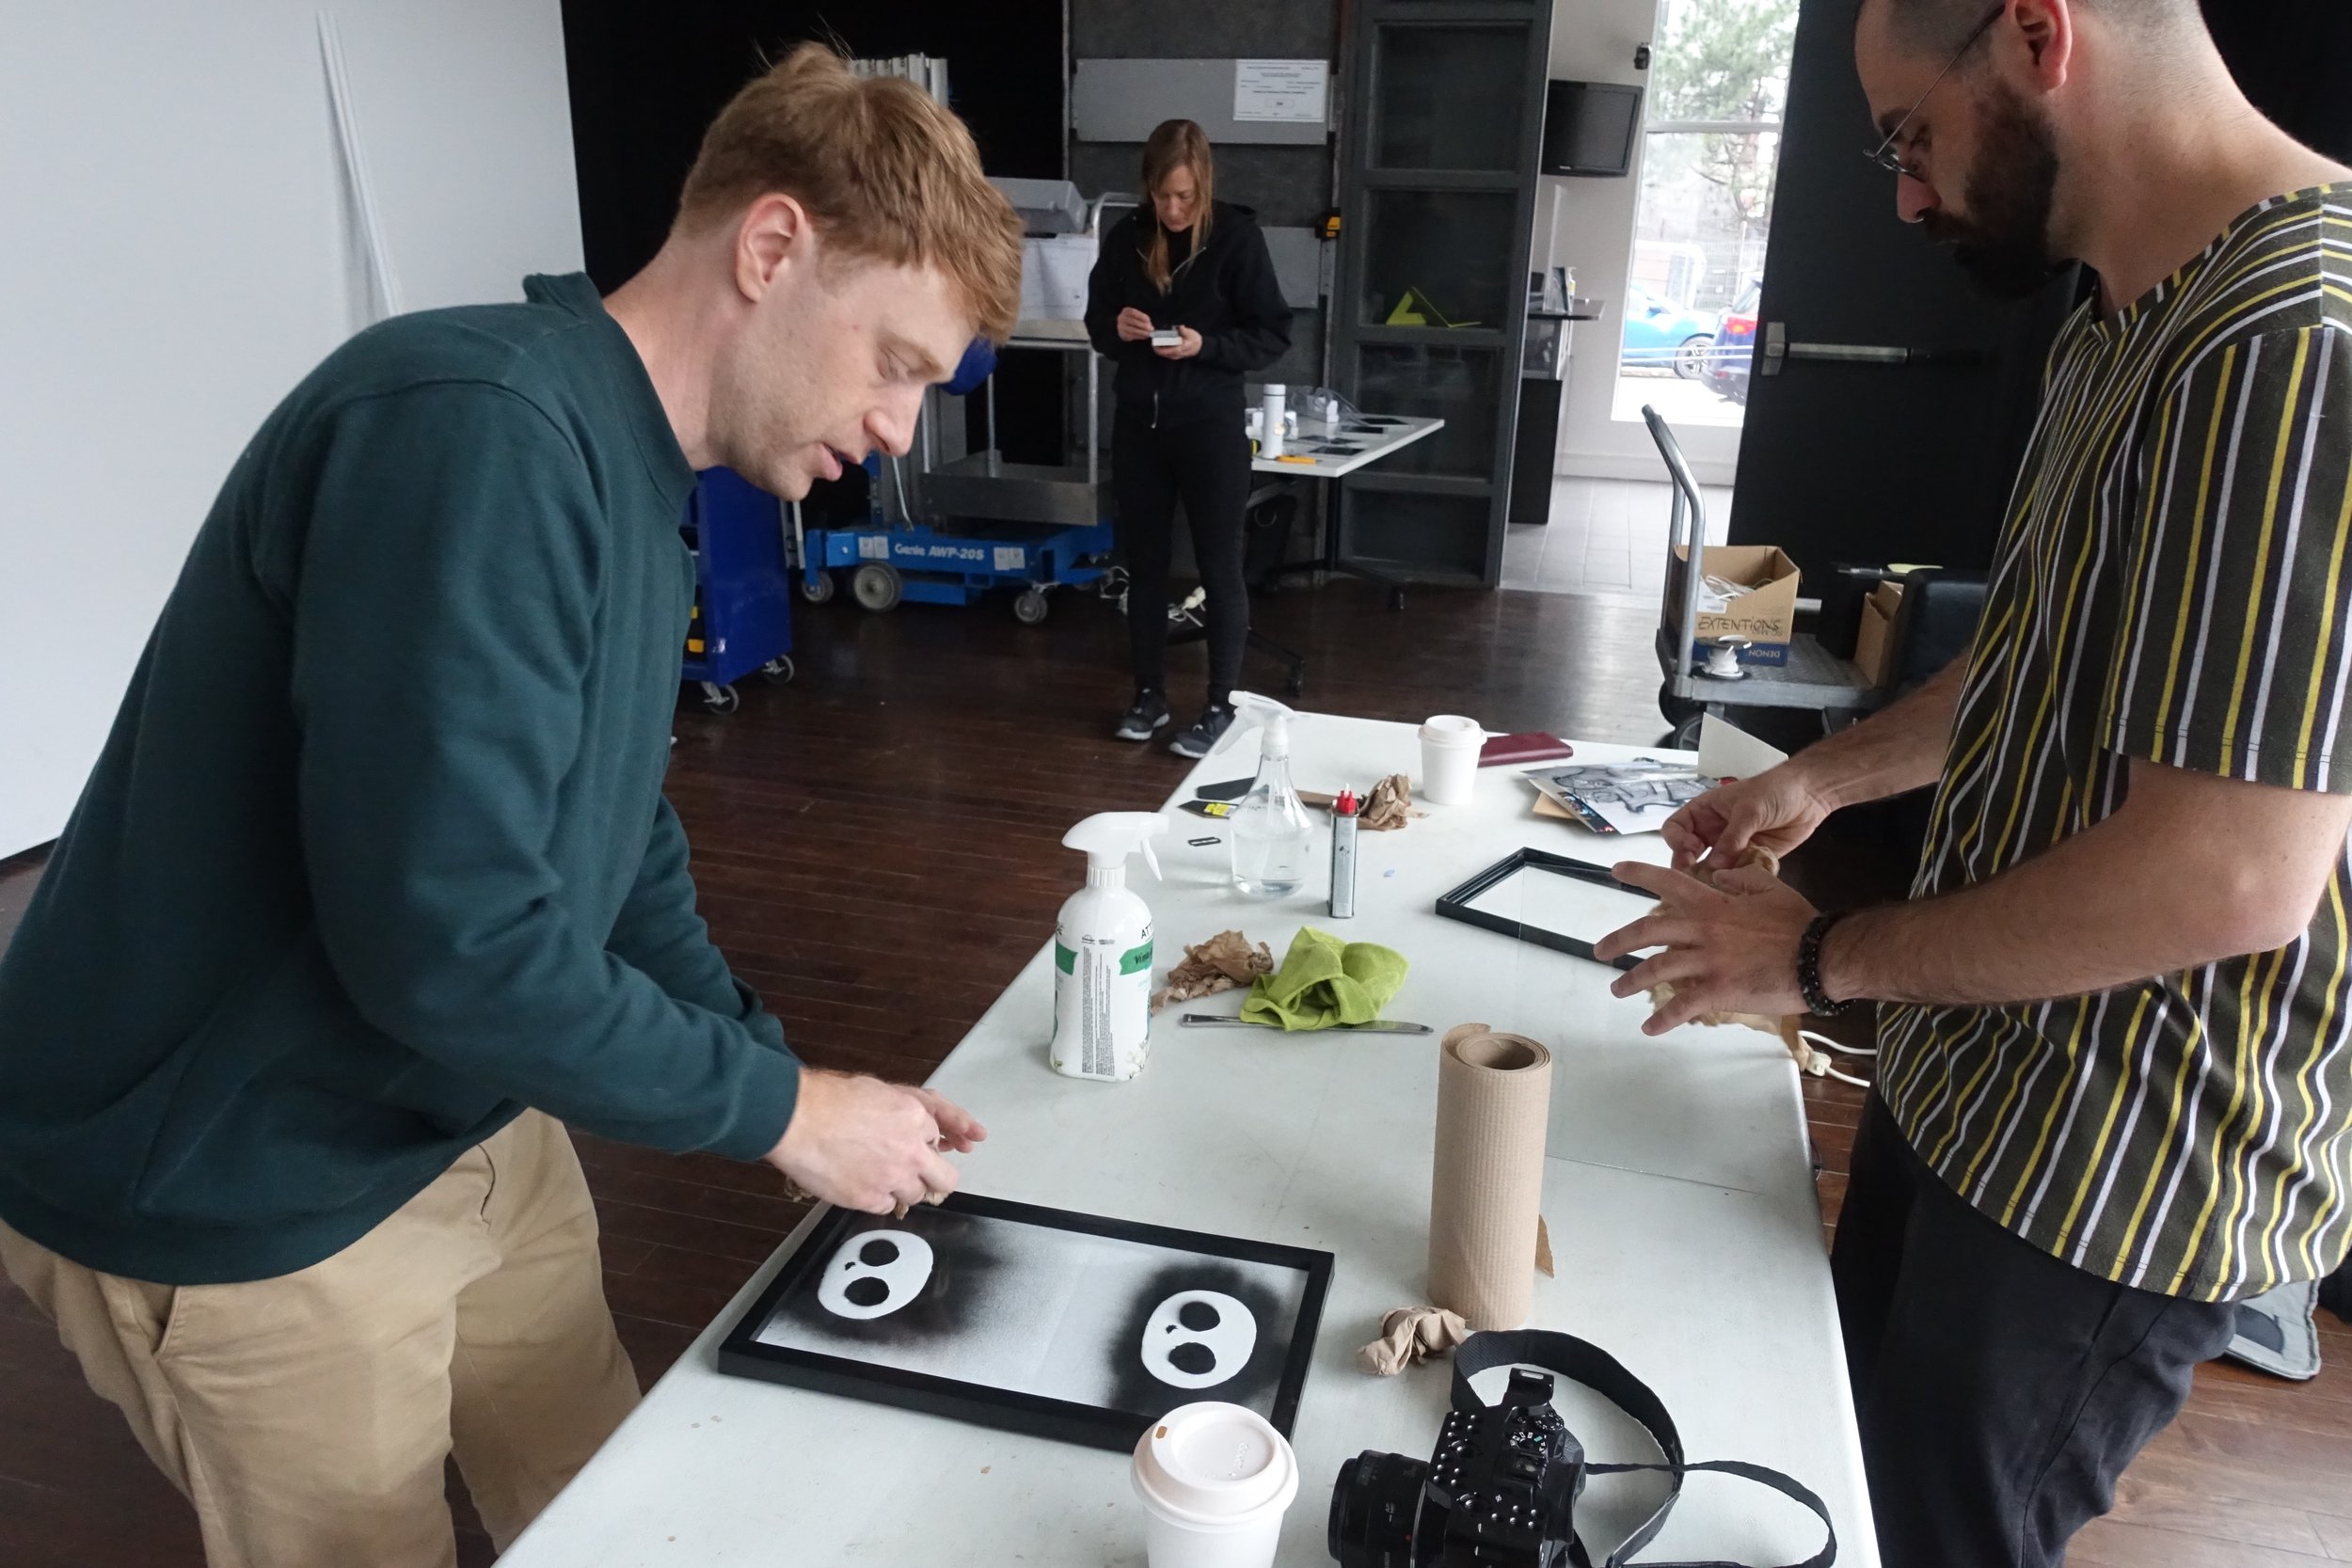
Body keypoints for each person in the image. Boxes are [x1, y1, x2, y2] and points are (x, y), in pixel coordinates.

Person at [0, 45, 1016, 1568]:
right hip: (248, 1183)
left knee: (614, 1513)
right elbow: (453, 948)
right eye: (897, 362)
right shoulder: (472, 426)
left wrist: (774, 1074)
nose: (897, 429)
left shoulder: (636, 483)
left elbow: (616, 840)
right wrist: (789, 1115)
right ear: (773, 245)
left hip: (467, 1118)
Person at [1589, 2, 2352, 1563]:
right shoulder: (2119, 312)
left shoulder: (2297, 342)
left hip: (2108, 1178)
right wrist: (1830, 780)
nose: (1906, 195)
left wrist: (1810, 958)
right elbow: (2041, 650)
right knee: (1844, 1484)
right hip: (1974, 1091)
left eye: (1907, 136)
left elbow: (2230, 875)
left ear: (2033, 34)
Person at [1085, 119, 1293, 757]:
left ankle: (1220, 705)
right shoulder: (1126, 238)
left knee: (1218, 567)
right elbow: (1096, 325)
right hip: (1139, 427)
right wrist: (1116, 325)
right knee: (1144, 569)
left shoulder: (1236, 237)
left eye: (1185, 197)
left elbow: (1273, 334)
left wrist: (1209, 347)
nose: (1172, 209)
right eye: (1162, 196)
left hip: (1210, 428)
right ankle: (1148, 694)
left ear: (1203, 186)